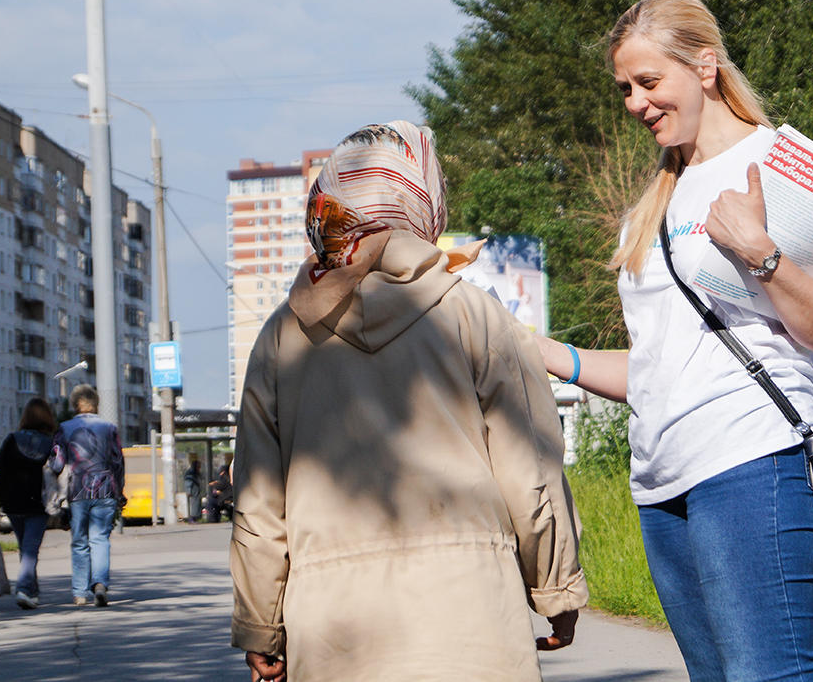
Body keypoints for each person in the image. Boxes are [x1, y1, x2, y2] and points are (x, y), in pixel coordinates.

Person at [535, 0, 813, 681]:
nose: (634, 102)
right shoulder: (648, 209)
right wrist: (546, 354)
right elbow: (655, 367)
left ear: (705, 66)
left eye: (648, 82)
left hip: (751, 462)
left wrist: (761, 251)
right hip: (660, 485)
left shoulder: (780, 165)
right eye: (625, 88)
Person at [230, 121, 588, 682]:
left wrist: (261, 625)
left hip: (334, 630)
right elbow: (530, 468)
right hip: (472, 619)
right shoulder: (477, 315)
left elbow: (257, 503)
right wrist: (556, 588)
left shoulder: (280, 338)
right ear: (423, 204)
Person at [52, 384, 124, 608]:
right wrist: (120, 491)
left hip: (78, 490)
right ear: (96, 403)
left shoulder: (64, 428)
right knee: (100, 538)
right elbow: (118, 462)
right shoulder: (109, 427)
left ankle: (80, 592)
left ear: (75, 404)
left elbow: (57, 464)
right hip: (106, 489)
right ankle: (100, 584)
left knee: (79, 542)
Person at [0, 398, 59, 609]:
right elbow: (58, 474)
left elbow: (2, 475)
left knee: (26, 548)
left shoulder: (11, 440)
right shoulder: (51, 443)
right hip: (38, 503)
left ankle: (32, 593)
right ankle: (25, 589)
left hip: (13, 504)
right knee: (29, 549)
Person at [183, 458, 203, 522]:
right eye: (198, 466)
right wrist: (188, 491)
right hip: (193, 491)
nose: (199, 467)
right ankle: (192, 518)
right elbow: (188, 482)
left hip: (195, 491)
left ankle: (195, 517)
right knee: (193, 504)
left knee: (196, 504)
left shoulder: (195, 472)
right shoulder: (191, 473)